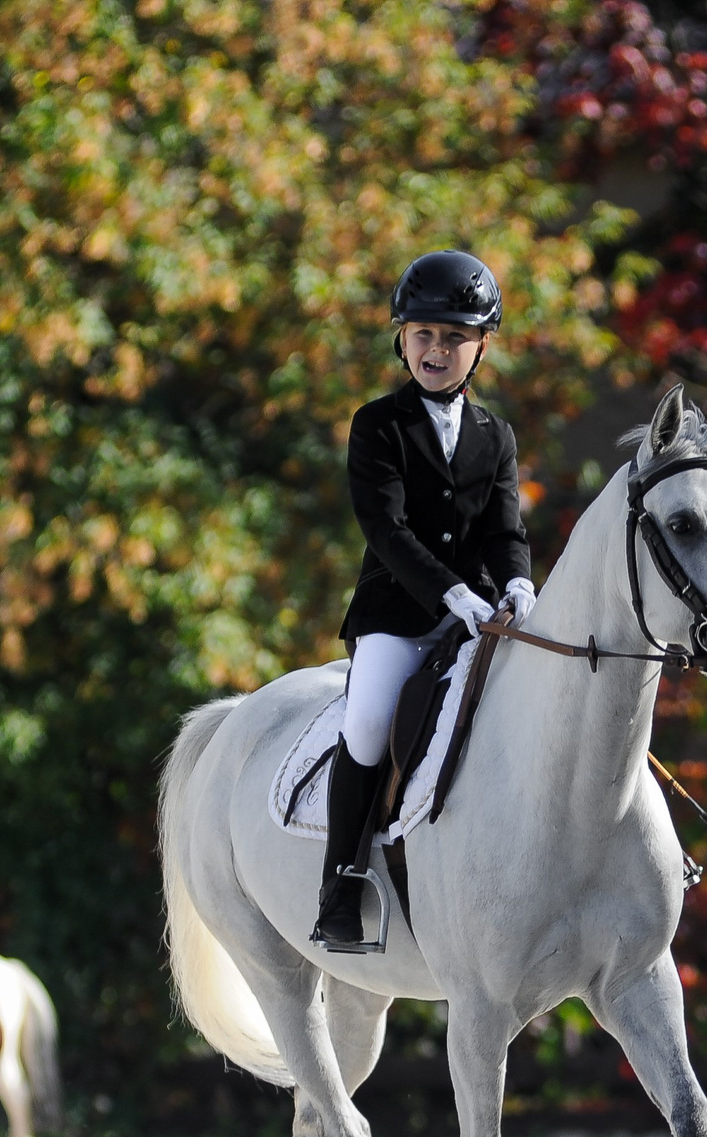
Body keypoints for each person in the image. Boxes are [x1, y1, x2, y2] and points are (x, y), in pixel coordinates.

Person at [312, 250, 539, 951]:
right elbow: (385, 528)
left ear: (481, 346)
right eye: (423, 335)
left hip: (477, 620)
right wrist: (451, 592)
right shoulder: (377, 424)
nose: (435, 349)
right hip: (397, 616)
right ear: (402, 338)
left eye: (452, 337)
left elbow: (505, 528)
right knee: (370, 719)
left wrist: (519, 581)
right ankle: (342, 882)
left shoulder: (495, 436)